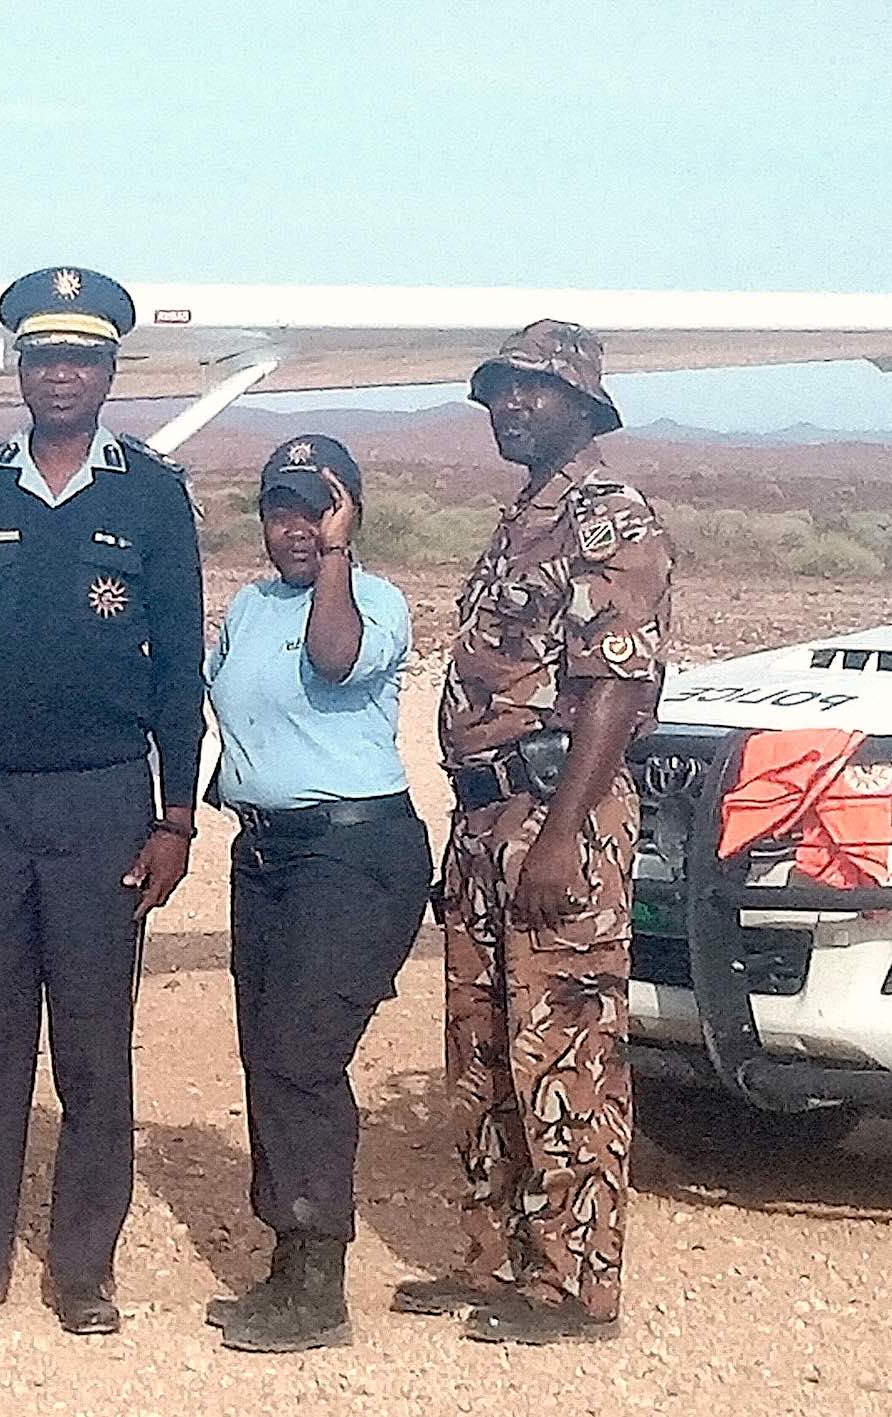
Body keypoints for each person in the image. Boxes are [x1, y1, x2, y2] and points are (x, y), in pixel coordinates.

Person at [0, 267, 205, 1336]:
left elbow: (177, 674)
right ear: (17, 367)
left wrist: (174, 818)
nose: (60, 373)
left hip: (105, 804)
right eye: (42, 356)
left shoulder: (152, 495)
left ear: (110, 371)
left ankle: (83, 1269)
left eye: (80, 357)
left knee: (91, 1045)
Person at [396, 321, 672, 1346]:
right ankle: (499, 1257)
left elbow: (609, 689)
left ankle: (574, 1287)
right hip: (487, 816)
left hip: (562, 818)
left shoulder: (610, 517)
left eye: (531, 391)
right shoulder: (521, 520)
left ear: (584, 405)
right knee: (482, 1048)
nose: (508, 406)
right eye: (498, 392)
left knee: (564, 1051)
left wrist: (558, 838)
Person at [199, 435, 429, 1353]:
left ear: (351, 511)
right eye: (282, 509)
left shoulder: (372, 600)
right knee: (267, 1054)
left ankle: (319, 1285)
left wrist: (336, 554)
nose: (296, 528)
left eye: (318, 507)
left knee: (302, 1052)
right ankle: (288, 1259)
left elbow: (333, 660)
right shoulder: (250, 608)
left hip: (354, 854)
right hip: (266, 858)